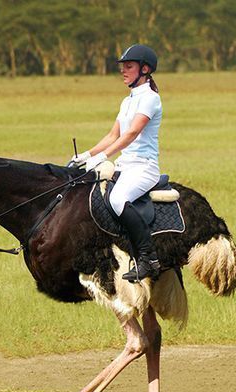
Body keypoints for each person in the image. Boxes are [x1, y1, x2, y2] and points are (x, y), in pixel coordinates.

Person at [71, 44, 162, 282]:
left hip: (144, 167)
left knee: (118, 199)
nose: (123, 71)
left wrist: (103, 157)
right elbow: (113, 135)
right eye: (123, 67)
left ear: (145, 69)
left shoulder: (150, 99)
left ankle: (148, 258)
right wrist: (86, 155)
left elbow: (131, 134)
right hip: (124, 165)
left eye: (129, 67)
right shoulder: (127, 101)